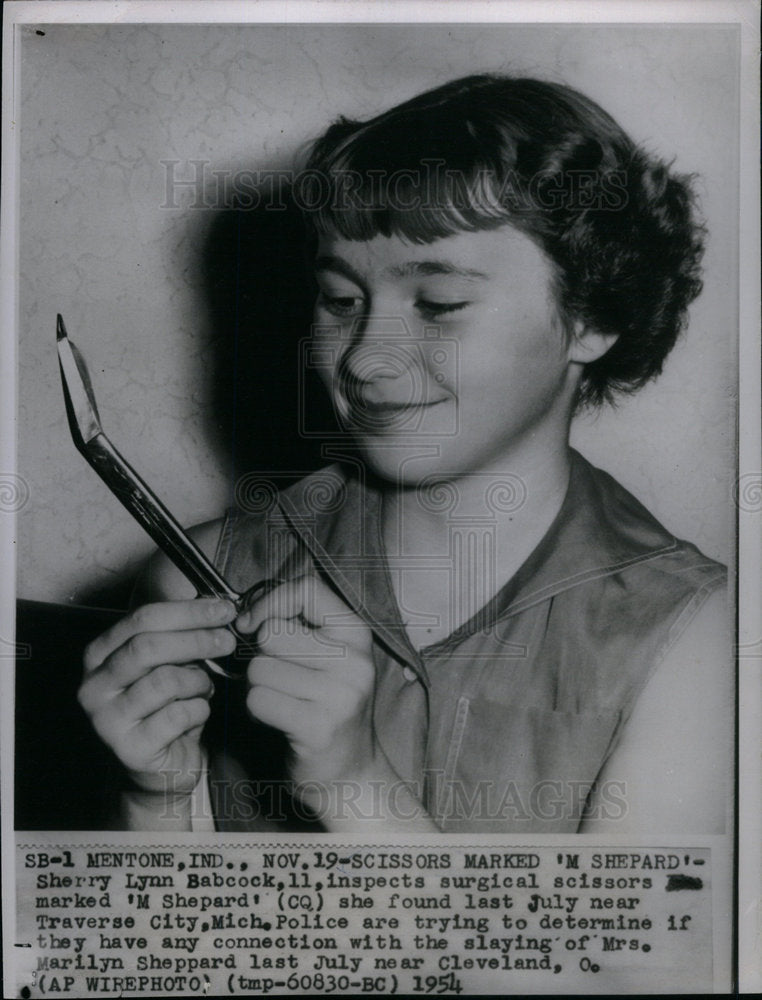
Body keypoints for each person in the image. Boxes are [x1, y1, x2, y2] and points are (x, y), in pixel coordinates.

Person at [78, 74, 730, 835]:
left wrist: (354, 785)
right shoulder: (196, 576)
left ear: (594, 316)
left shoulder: (689, 636)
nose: (364, 361)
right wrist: (151, 798)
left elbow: (622, 958)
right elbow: (154, 949)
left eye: (438, 304)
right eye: (341, 301)